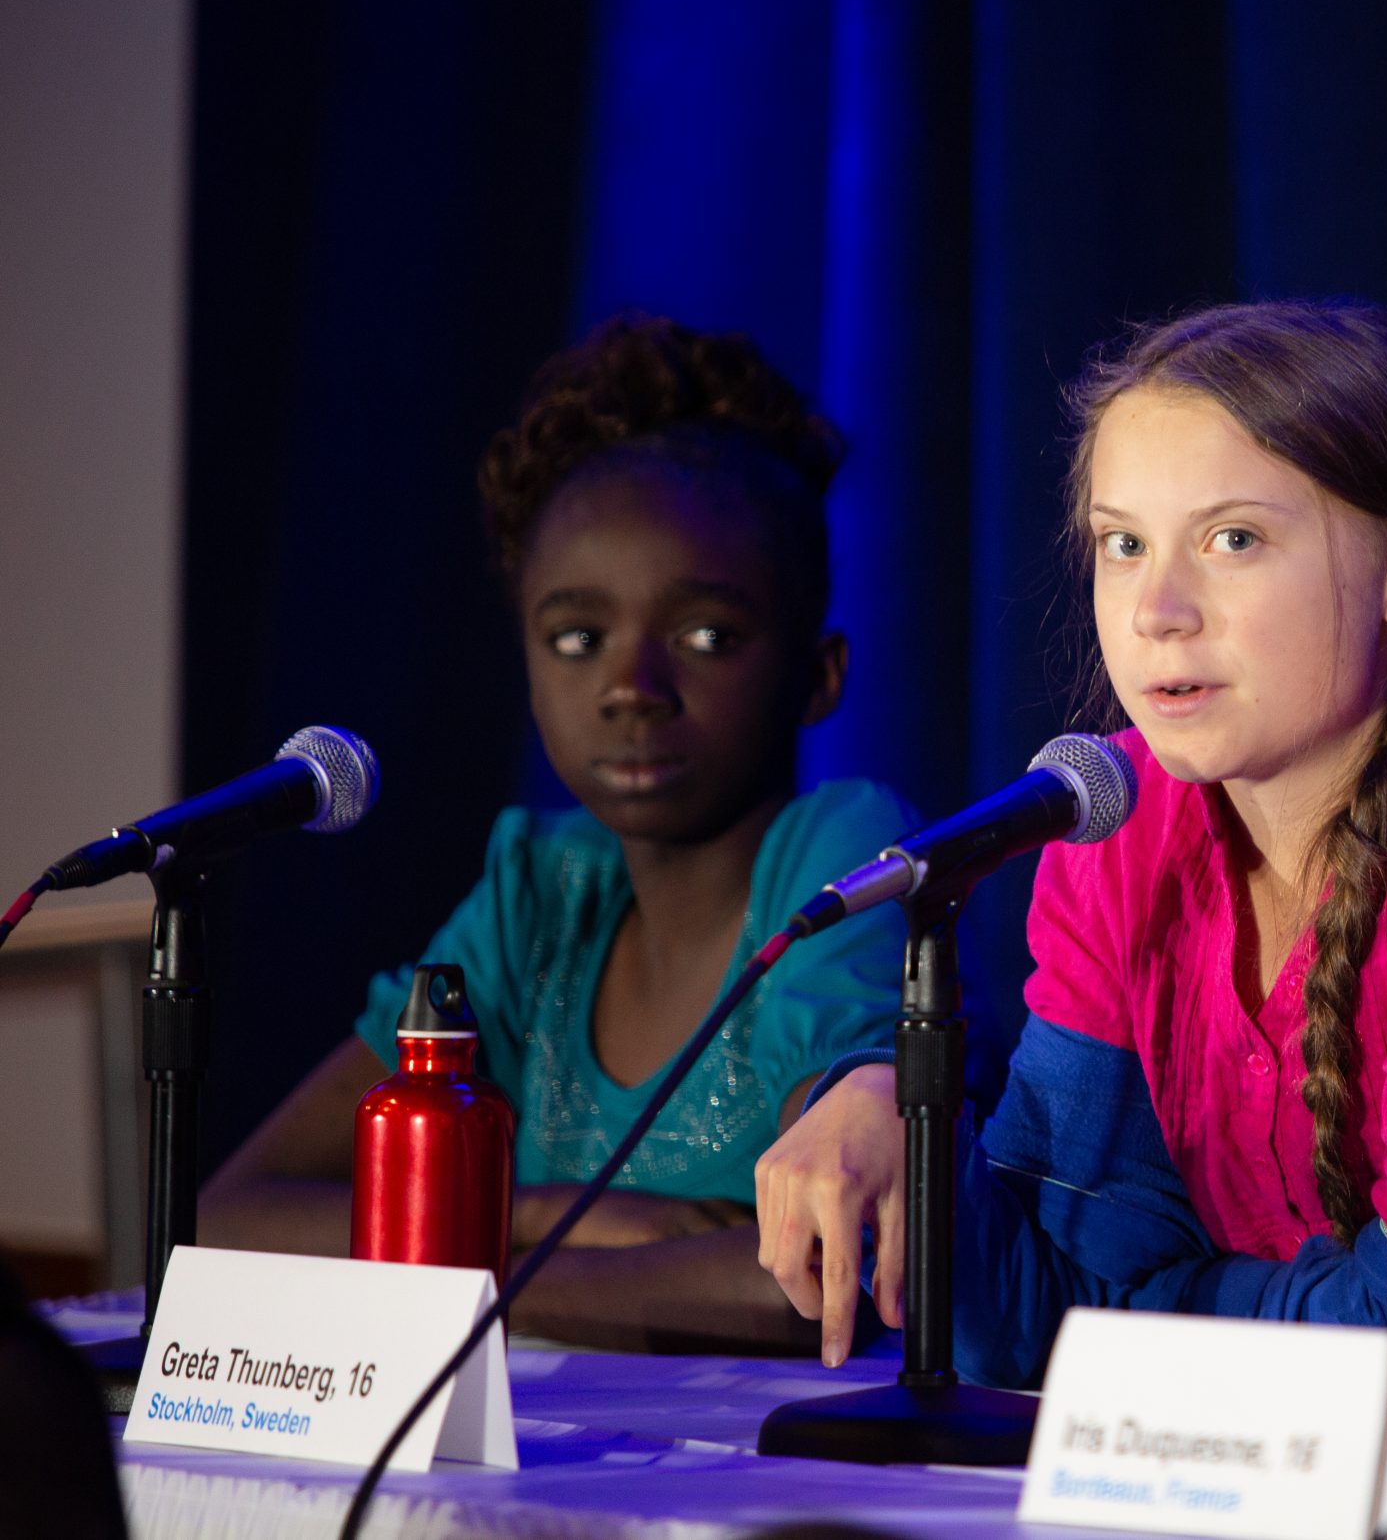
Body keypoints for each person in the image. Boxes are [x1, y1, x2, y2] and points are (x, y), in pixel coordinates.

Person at [755, 299, 1387, 1415]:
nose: (1158, 610)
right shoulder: (1110, 825)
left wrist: (1167, 1313)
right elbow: (1035, 1320)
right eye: (1123, 545)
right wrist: (888, 1110)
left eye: (1234, 540)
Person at [201, 314, 918, 1352]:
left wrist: (451, 1271)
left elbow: (810, 1279)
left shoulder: (844, 852)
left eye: (705, 636)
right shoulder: (538, 892)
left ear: (818, 675)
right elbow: (231, 1221)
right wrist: (536, 1215)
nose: (631, 687)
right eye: (578, 637)